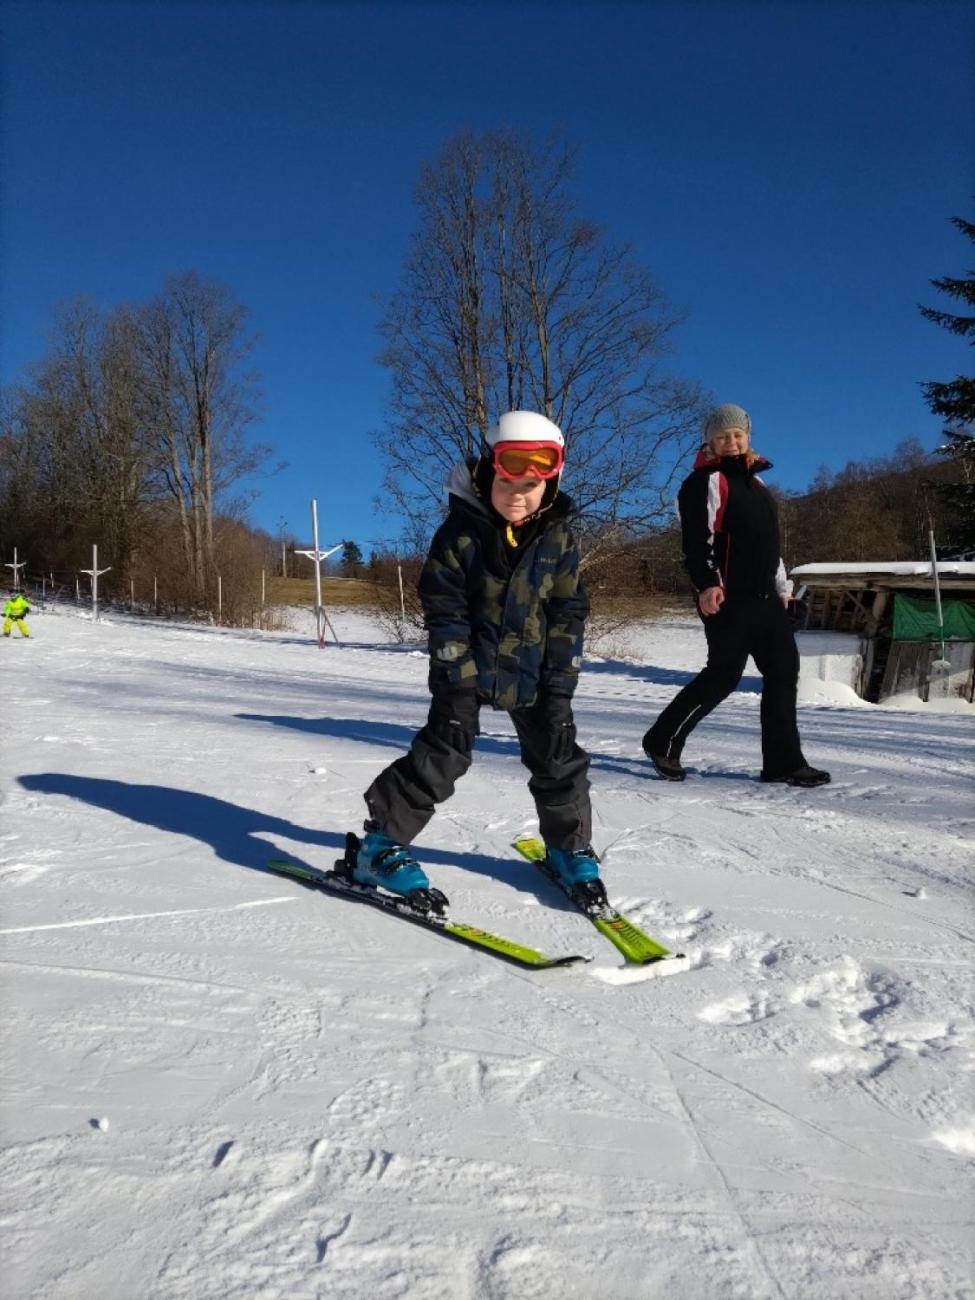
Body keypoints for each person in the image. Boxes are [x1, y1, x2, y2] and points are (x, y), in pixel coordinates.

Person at [353, 410, 602, 906]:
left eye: (531, 485)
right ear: (487, 475)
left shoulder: (559, 539)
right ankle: (379, 847)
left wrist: (560, 683)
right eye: (507, 483)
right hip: (464, 666)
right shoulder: (459, 536)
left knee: (559, 756)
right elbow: (443, 606)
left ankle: (567, 850)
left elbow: (568, 612)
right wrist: (456, 675)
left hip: (534, 671)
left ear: (549, 487)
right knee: (444, 752)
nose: (518, 495)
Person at [642, 403, 830, 788]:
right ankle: (662, 740)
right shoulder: (705, 482)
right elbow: (697, 540)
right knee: (724, 675)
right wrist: (707, 583)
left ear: (747, 438)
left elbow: (769, 545)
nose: (731, 441)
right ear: (710, 440)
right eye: (722, 435)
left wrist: (782, 590)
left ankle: (783, 762)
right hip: (729, 598)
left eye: (738, 434)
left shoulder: (758, 486)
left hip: (765, 600)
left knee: (783, 674)